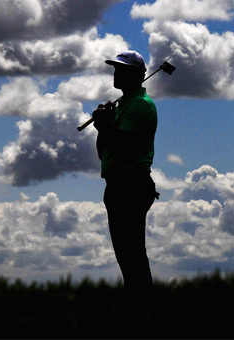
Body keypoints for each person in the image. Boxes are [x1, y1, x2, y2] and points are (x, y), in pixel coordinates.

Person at [92, 50, 159, 293]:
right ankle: (138, 304)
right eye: (115, 68)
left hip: (131, 185)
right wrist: (103, 126)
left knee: (132, 254)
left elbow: (123, 144)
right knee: (126, 255)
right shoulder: (124, 106)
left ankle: (142, 306)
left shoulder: (140, 105)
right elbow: (104, 152)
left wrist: (103, 124)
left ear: (135, 75)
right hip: (118, 186)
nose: (115, 73)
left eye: (121, 69)